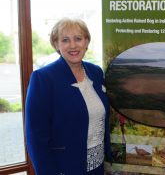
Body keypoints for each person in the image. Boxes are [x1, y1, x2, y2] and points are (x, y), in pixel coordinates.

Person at [25, 18, 112, 175]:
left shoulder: (96, 72)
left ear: (86, 42)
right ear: (57, 45)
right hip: (65, 168)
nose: (73, 45)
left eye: (78, 39)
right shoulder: (43, 78)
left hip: (97, 165)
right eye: (65, 40)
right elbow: (36, 137)